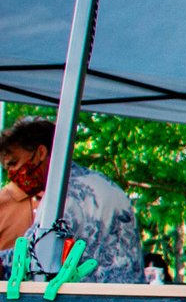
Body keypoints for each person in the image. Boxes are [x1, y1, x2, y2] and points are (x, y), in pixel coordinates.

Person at [0, 118, 144, 281]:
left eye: (14, 163)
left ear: (41, 152)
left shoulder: (63, 194)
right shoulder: (102, 182)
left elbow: (35, 258)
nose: (11, 174)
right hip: (129, 299)